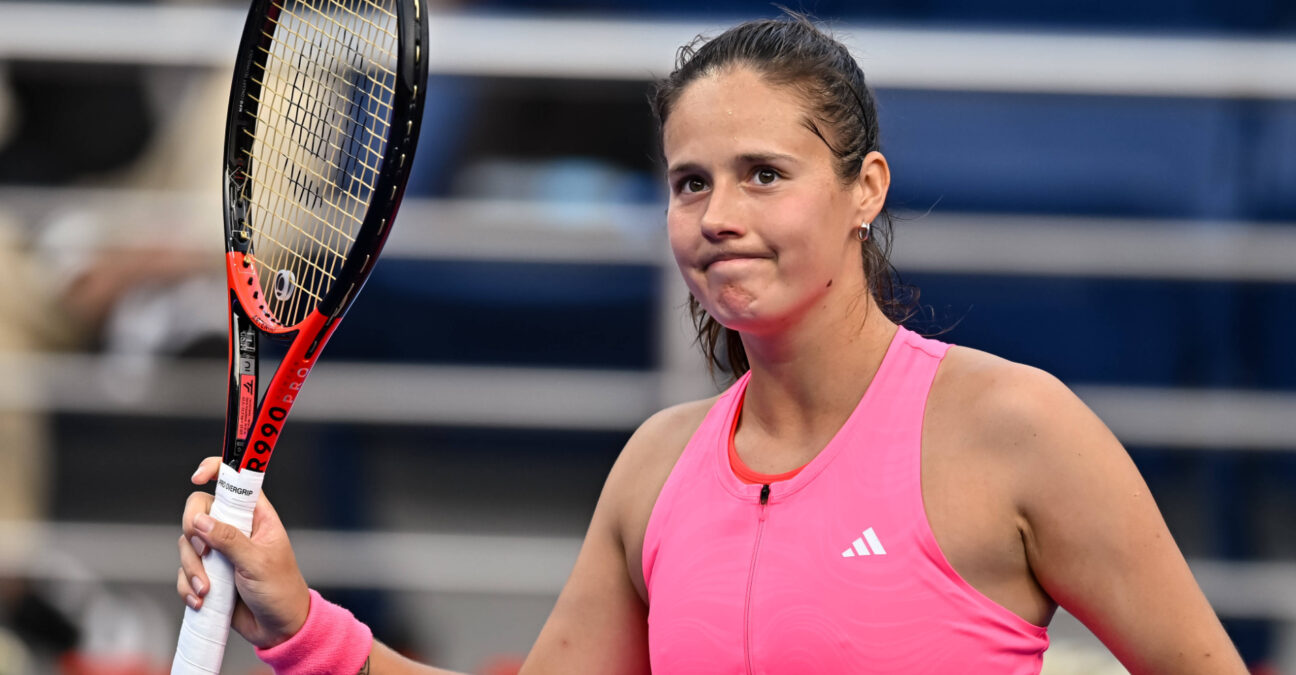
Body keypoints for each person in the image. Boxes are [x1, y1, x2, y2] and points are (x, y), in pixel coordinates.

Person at [176, 15, 1247, 675]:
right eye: (691, 183)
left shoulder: (1018, 430)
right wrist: (295, 620)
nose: (718, 214)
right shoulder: (656, 470)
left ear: (863, 190)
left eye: (763, 175)